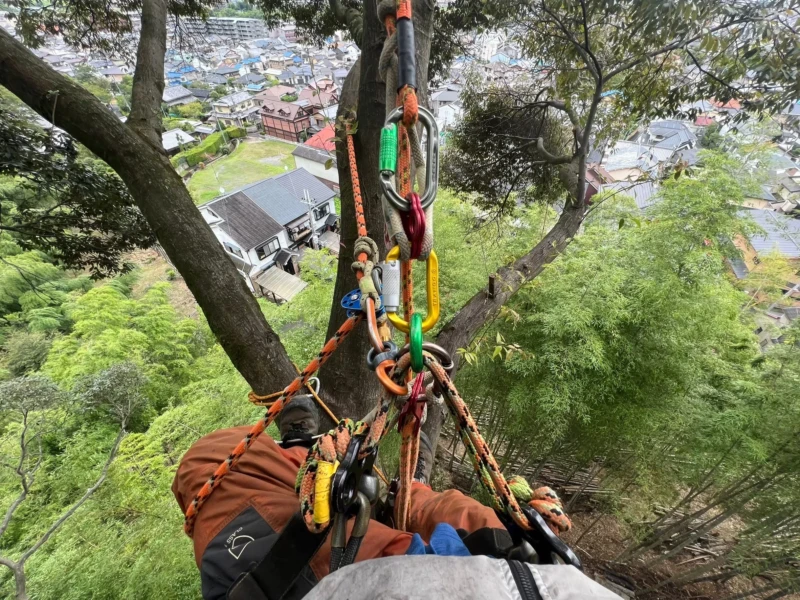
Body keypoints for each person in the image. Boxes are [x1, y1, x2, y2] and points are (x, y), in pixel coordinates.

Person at [173, 396, 622, 600]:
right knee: (422, 505)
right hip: (490, 576)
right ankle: (379, 489)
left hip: (353, 575)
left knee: (210, 457)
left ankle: (303, 454)